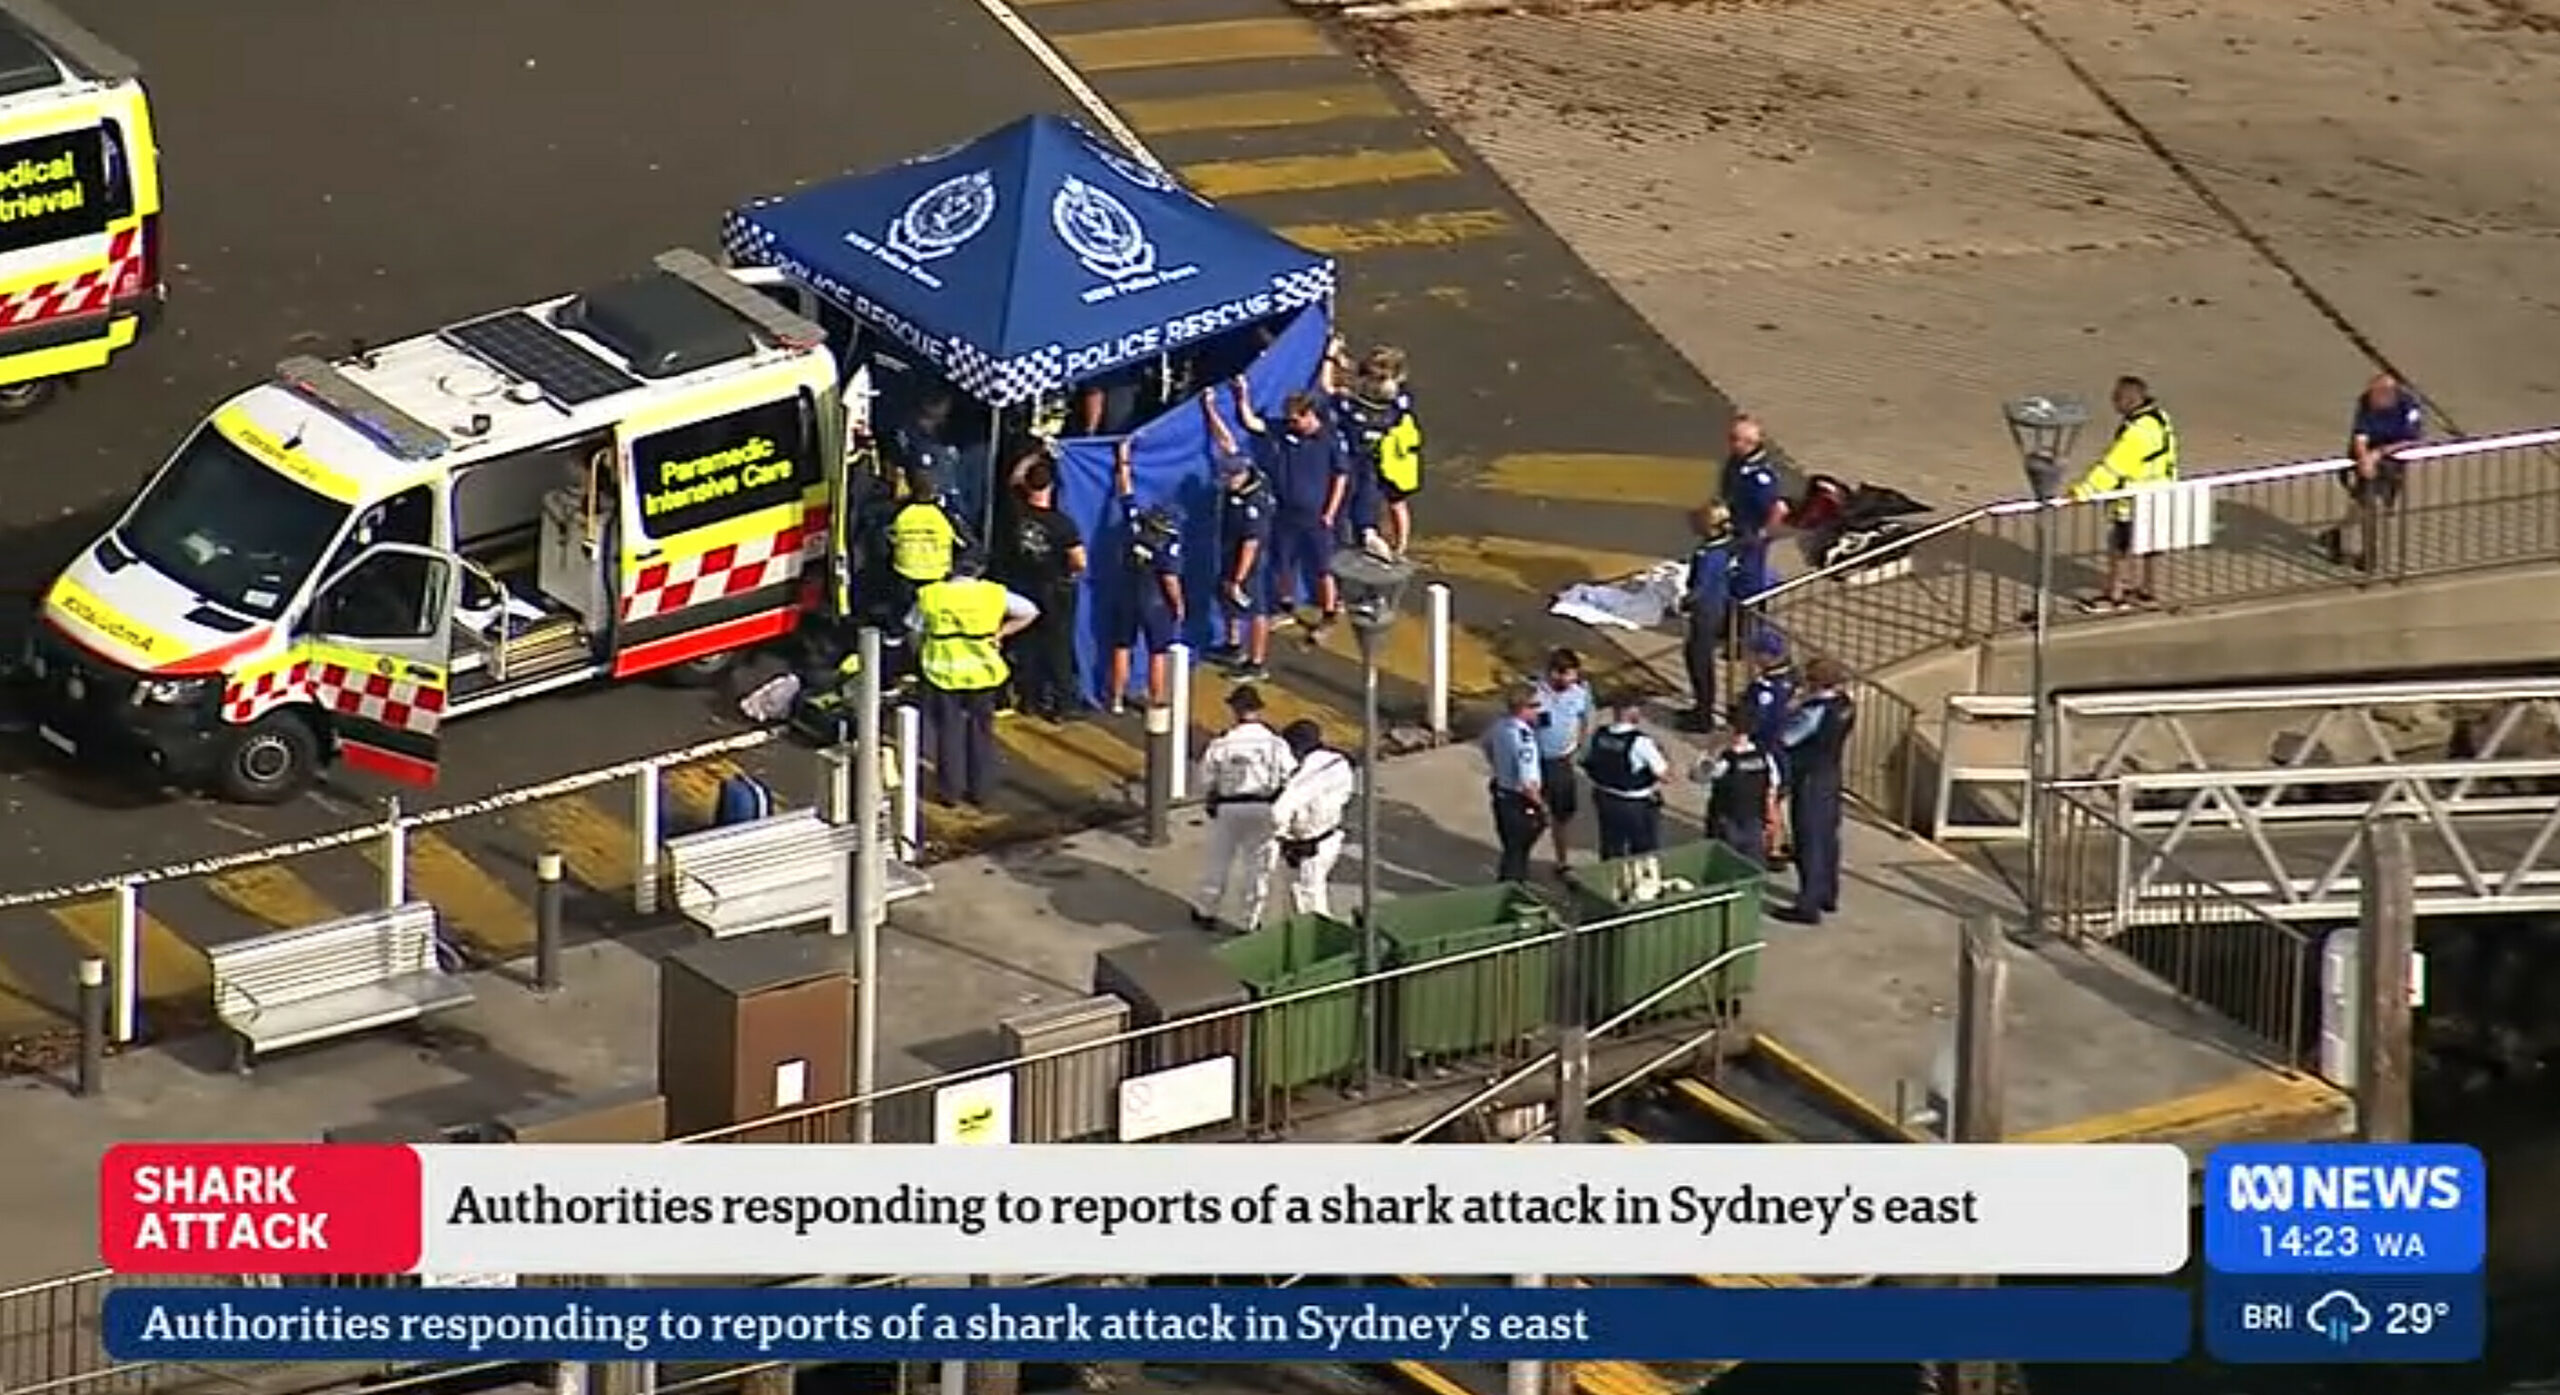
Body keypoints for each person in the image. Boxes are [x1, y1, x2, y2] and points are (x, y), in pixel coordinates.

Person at [910, 554, 1039, 807]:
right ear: (979, 570)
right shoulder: (993, 593)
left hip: (942, 672)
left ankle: (950, 792)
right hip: (983, 671)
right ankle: (981, 791)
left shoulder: (931, 595)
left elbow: (914, 629)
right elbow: (1030, 611)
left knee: (949, 730)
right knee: (981, 730)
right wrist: (1000, 633)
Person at [1231, 379, 1349, 641]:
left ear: (1310, 415)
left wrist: (1329, 512)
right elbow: (1252, 423)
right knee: (1282, 563)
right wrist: (1242, 395)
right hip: (1285, 514)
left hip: (1316, 518)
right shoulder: (1284, 431)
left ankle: (1329, 614)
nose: (1292, 424)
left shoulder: (1329, 439)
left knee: (1323, 568)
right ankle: (1286, 607)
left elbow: (1341, 476)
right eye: (1289, 419)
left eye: (1296, 420)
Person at [1192, 684, 1296, 932]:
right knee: (1258, 867)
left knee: (1218, 861)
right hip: (1264, 807)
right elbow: (1291, 775)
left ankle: (1206, 911)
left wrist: (1214, 794)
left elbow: (1205, 780)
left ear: (1234, 709)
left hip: (1229, 808)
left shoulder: (1222, 743)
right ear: (1258, 710)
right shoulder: (1276, 744)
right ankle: (1249, 921)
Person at [2072, 375, 2180, 612]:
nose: (2113, 402)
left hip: (2134, 499)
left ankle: (2115, 596)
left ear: (2129, 400)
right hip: (2159, 494)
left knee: (2119, 548)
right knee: (2151, 546)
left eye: (2117, 397)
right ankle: (2148, 593)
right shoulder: (2159, 418)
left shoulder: (2138, 431)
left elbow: (2114, 465)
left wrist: (2083, 491)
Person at [999, 452, 1085, 721]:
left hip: (1026, 586)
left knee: (1029, 645)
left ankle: (1030, 700)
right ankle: (1065, 705)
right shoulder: (1062, 524)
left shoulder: (1016, 514)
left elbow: (1013, 480)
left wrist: (1032, 456)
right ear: (1052, 486)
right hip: (1056, 588)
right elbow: (1079, 561)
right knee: (1058, 647)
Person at [1103, 439, 1186, 713]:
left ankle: (1115, 698)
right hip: (1154, 603)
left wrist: (1123, 459)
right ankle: (1156, 699)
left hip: (1126, 595)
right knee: (1157, 653)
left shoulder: (1135, 524)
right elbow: (1170, 580)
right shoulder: (1168, 542)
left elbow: (1125, 491)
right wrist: (1178, 604)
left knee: (1122, 647)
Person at [1774, 658, 1856, 924]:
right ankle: (1828, 894)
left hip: (1810, 777)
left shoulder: (1813, 711)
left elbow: (1788, 738)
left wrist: (1789, 710)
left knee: (1809, 840)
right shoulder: (1845, 705)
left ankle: (1807, 905)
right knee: (1828, 838)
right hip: (1831, 774)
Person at [1203, 392, 1275, 680]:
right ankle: (1233, 645)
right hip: (1230, 549)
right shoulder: (1248, 472)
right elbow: (1227, 442)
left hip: (1249, 563)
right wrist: (1210, 410)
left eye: (1229, 476)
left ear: (1240, 476)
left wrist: (1239, 578)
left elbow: (1251, 543)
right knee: (1227, 599)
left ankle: (1257, 663)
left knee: (1255, 609)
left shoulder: (1253, 503)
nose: (1226, 480)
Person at [2324, 373, 2425, 573]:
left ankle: (2338, 532)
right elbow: (2360, 435)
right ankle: (2367, 553)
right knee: (2368, 504)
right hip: (2365, 459)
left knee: (2375, 506)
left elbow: (2413, 439)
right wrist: (2364, 459)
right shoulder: (2365, 402)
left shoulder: (2409, 406)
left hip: (2392, 458)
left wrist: (2379, 453)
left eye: (2379, 395)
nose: (2374, 399)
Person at [1268, 718, 1357, 920]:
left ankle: (1318, 939)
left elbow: (1280, 810)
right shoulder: (1339, 762)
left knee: (1307, 898)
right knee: (1316, 889)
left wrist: (1278, 834)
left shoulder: (1309, 771)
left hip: (1307, 843)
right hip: (1331, 836)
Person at [1580, 693, 1669, 860]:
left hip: (1604, 797)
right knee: (1643, 851)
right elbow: (1664, 775)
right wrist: (1665, 755)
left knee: (1611, 845)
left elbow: (1584, 759)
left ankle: (1612, 880)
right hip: (1635, 803)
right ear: (1633, 712)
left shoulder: (1599, 734)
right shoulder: (1641, 742)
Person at [1529, 648, 1593, 874]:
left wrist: (1581, 746)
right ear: (1554, 673)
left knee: (1562, 814)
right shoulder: (1535, 694)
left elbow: (1585, 718)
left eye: (1574, 675)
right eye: (1567, 674)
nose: (1572, 679)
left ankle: (1561, 860)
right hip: (1536, 762)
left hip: (1562, 761)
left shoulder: (1580, 693)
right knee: (1531, 815)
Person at [1738, 632, 1799, 862]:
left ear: (1766, 656)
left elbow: (1760, 721)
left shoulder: (1763, 688)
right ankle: (1781, 840)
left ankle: (1774, 846)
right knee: (1780, 796)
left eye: (1755, 652)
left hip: (1768, 748)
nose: (1751, 656)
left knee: (1769, 798)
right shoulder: (1793, 678)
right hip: (1786, 747)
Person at [1680, 503, 1737, 731]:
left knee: (1700, 662)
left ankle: (1703, 714)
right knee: (1697, 657)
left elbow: (1700, 587)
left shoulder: (1707, 555)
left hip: (1706, 610)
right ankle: (1701, 707)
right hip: (1718, 606)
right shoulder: (1727, 547)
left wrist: (1683, 603)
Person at [1483, 684, 1547, 883]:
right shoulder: (1523, 738)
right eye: (1535, 705)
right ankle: (1512, 890)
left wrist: (1501, 768)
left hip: (1502, 794)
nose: (1539, 709)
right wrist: (1541, 806)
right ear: (1523, 708)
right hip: (1519, 801)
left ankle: (1509, 884)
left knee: (1511, 848)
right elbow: (1529, 784)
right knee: (1517, 853)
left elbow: (1487, 746)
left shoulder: (1499, 726)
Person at [887, 462, 961, 622]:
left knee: (902, 616)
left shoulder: (899, 514)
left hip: (905, 574)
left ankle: (896, 635)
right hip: (936, 575)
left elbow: (885, 541)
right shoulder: (944, 516)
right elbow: (966, 544)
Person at [1694, 726, 1778, 867]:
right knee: (1752, 865)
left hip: (1727, 819)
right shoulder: (1764, 756)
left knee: (1723, 864)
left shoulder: (1725, 759)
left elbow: (1699, 776)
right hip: (1753, 818)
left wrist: (1710, 751)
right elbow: (1772, 788)